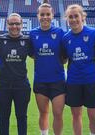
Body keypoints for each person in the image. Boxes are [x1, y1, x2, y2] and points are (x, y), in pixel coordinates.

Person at [62, 4, 95, 135]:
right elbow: (64, 60)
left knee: (93, 116)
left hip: (92, 81)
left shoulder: (94, 34)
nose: (73, 19)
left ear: (82, 17)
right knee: (76, 116)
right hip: (73, 82)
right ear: (67, 19)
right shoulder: (65, 38)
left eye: (76, 16)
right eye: (70, 17)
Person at [0, 13, 32, 135]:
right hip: (2, 86)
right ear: (7, 24)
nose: (14, 26)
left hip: (22, 86)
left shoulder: (28, 41)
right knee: (3, 118)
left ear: (22, 25)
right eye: (11, 23)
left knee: (22, 117)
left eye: (17, 24)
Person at [29, 2, 66, 135]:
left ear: (52, 15)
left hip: (58, 80)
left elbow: (65, 55)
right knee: (43, 112)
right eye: (42, 14)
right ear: (38, 16)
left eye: (47, 14)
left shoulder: (61, 32)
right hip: (40, 80)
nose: (45, 17)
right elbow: (32, 54)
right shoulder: (32, 34)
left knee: (57, 113)